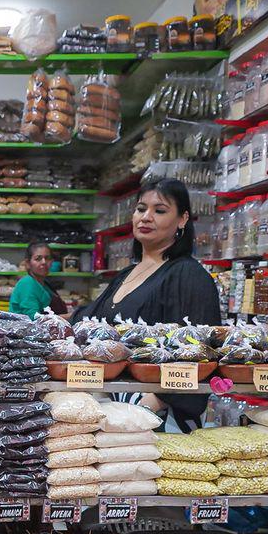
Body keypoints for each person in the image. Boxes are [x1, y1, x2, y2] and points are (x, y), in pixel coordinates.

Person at [72, 177, 222, 428]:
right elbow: (90, 319)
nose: (146, 217)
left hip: (158, 412)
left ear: (182, 219)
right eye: (141, 209)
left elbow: (201, 351)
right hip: (114, 404)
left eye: (159, 210)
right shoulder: (125, 274)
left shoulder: (188, 275)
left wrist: (152, 403)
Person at [9, 241, 67, 316]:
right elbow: (34, 318)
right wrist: (71, 316)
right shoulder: (27, 284)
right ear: (28, 263)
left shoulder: (44, 284)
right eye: (38, 259)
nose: (44, 262)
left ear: (52, 262)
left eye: (47, 258)